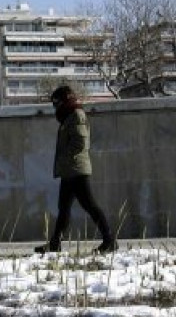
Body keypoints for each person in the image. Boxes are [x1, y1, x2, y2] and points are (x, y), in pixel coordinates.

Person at [37, 85, 119, 255]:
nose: (55, 107)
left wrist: (67, 159)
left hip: (76, 169)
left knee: (89, 205)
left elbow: (80, 143)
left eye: (56, 103)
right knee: (64, 208)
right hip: (70, 170)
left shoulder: (76, 115)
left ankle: (110, 241)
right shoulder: (69, 117)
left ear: (64, 100)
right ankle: (55, 243)